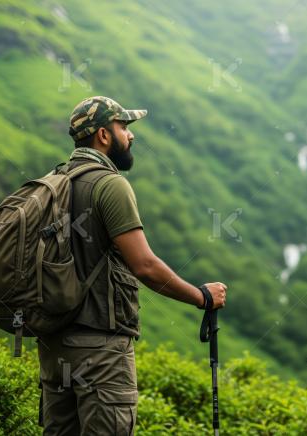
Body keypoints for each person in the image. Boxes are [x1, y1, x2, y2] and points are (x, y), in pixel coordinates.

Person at [38, 96, 227, 435]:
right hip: (100, 352)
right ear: (104, 136)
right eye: (123, 127)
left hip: (55, 348)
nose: (131, 135)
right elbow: (145, 266)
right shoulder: (110, 185)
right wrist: (201, 297)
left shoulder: (55, 181)